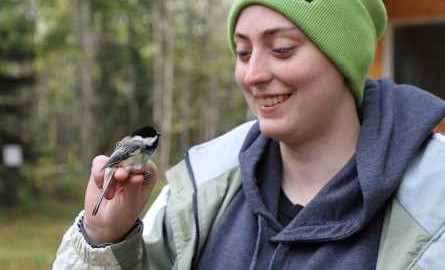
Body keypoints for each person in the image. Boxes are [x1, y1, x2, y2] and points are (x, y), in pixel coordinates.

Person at [53, 0, 445, 269]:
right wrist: (104, 238)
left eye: (282, 49)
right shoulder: (201, 189)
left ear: (345, 60)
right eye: (242, 53)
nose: (253, 75)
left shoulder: (434, 199)